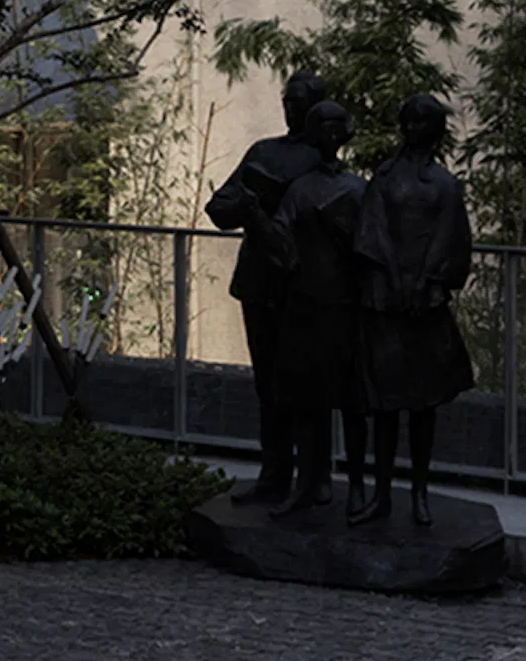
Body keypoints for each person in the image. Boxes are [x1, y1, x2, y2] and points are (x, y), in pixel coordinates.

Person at [203, 68, 332, 503]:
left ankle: (316, 478)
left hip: (307, 284)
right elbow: (218, 207)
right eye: (288, 102)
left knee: (310, 384)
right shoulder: (264, 152)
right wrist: (250, 204)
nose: (292, 110)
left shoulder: (325, 164)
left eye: (301, 102)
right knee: (268, 385)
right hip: (261, 281)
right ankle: (275, 473)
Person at [349, 90, 475, 528]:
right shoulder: (382, 178)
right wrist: (389, 278)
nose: (413, 129)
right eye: (410, 120)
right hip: (385, 302)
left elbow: (452, 238)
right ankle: (382, 494)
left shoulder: (444, 183)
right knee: (385, 406)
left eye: (423, 122)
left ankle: (420, 492)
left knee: (424, 407)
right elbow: (370, 233)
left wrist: (426, 282)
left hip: (425, 305)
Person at [268, 97, 367, 514]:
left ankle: (358, 484)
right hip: (305, 302)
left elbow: (372, 244)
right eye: (320, 129)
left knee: (353, 398)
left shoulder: (360, 188)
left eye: (334, 128)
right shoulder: (301, 188)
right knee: (307, 398)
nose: (328, 137)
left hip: (346, 303)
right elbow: (279, 238)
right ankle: (308, 481)